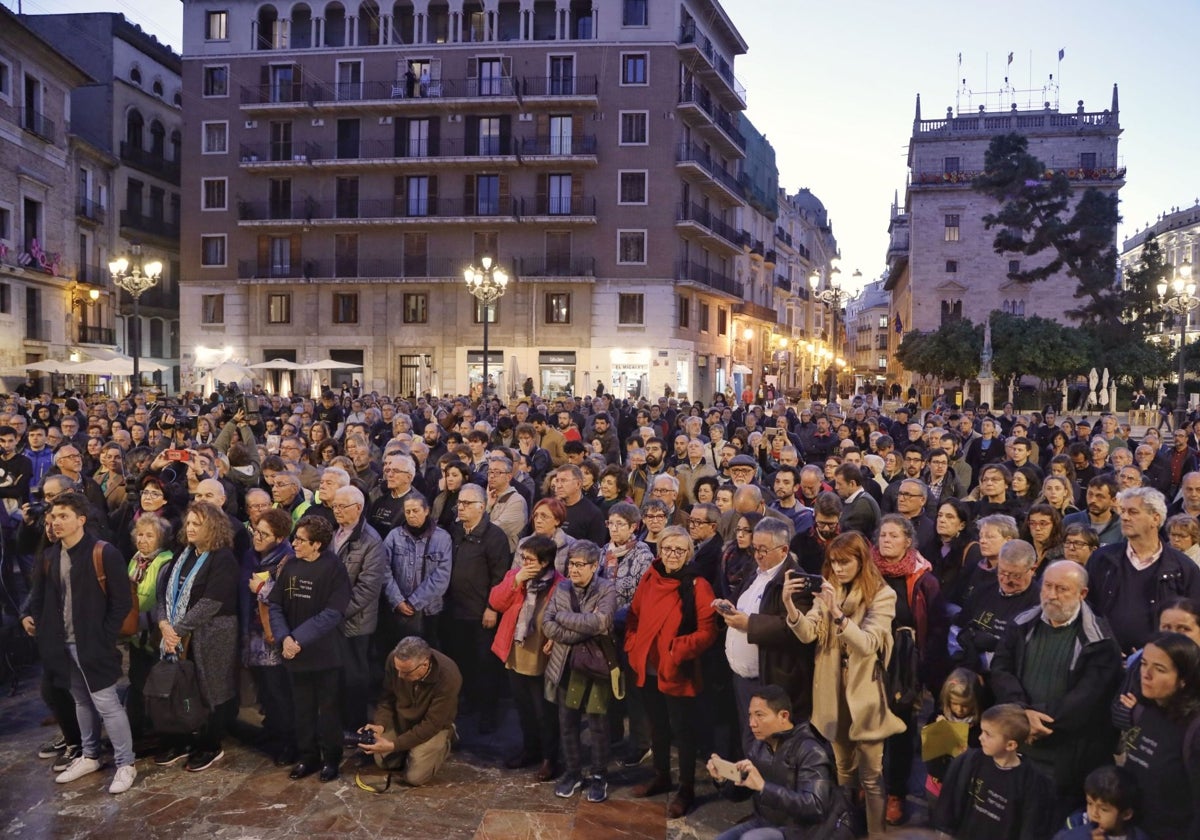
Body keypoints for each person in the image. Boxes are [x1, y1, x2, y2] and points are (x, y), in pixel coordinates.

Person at [784, 531, 903, 837]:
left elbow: (868, 643)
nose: (837, 569)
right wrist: (791, 607)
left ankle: (876, 833)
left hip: (865, 694)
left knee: (872, 775)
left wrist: (837, 613)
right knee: (842, 770)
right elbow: (809, 633)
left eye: (844, 562)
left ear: (861, 561)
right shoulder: (829, 589)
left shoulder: (883, 595)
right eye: (833, 562)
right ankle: (845, 826)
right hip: (831, 692)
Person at [21, 491, 138, 794]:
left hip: (93, 643)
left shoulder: (104, 552)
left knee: (107, 703)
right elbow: (40, 598)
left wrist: (104, 635)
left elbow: (121, 601)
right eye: (53, 517)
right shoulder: (49, 556)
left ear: (81, 520)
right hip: (62, 643)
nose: (56, 523)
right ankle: (90, 755)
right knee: (81, 701)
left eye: (63, 517)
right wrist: (31, 619)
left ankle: (126, 763)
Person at [990, 560, 1123, 823]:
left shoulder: (1100, 641)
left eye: (1062, 589)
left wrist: (1031, 719)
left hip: (1066, 756)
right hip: (1020, 745)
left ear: (1082, 594)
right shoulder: (1022, 623)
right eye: (1048, 586)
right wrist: (1020, 712)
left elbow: (1086, 700)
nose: (1051, 595)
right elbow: (1001, 668)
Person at [624, 525, 718, 817]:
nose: (672, 554)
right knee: (657, 727)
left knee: (683, 732)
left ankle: (686, 788)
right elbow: (634, 616)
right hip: (648, 667)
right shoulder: (650, 578)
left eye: (679, 549)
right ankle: (662, 775)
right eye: (667, 548)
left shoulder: (697, 585)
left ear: (688, 553)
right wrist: (633, 645)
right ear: (659, 550)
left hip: (677, 669)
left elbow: (708, 631)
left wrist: (676, 651)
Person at [153, 501, 240, 773]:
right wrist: (164, 623)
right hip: (178, 633)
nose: (189, 528)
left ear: (212, 527)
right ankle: (183, 740)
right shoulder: (183, 553)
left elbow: (211, 602)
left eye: (196, 524)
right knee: (183, 687)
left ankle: (210, 745)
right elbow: (163, 593)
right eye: (188, 523)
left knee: (211, 689)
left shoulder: (223, 558)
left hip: (213, 634)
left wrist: (175, 630)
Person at [708, 685, 853, 840]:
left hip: (803, 830)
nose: (752, 723)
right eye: (750, 716)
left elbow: (816, 806)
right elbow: (741, 792)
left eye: (759, 715)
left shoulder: (810, 750)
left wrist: (764, 787)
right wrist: (722, 779)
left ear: (783, 716)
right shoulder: (758, 746)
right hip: (765, 822)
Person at [268, 515, 352, 782]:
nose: (295, 544)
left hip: (325, 652)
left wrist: (297, 639)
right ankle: (308, 757)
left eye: (301, 540)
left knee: (328, 710)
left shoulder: (334, 568)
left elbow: (333, 612)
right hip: (293, 651)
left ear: (317, 545)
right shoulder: (290, 565)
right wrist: (284, 638)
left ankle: (331, 759)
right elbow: (276, 605)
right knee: (301, 708)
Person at [542, 541, 617, 804]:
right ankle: (573, 772)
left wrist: (563, 618)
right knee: (567, 722)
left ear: (595, 566)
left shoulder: (606, 588)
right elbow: (547, 625)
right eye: (571, 564)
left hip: (595, 666)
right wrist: (582, 625)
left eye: (579, 565)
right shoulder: (561, 588)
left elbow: (602, 622)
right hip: (565, 664)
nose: (573, 570)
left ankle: (599, 775)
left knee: (597, 725)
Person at [1087, 487, 1200, 654]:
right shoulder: (1101, 559)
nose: (1124, 517)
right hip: (1106, 661)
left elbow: (1193, 623)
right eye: (1123, 511)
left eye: (1133, 512)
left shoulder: (1184, 568)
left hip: (1161, 664)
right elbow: (1088, 610)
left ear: (1155, 518)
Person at [488, 535, 564, 781]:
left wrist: (557, 638)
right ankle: (530, 749)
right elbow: (496, 602)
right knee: (523, 709)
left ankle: (549, 758)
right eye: (522, 557)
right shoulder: (516, 577)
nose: (523, 562)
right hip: (516, 652)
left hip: (541, 656)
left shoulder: (560, 585)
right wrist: (516, 581)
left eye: (529, 559)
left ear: (544, 562)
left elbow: (566, 617)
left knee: (545, 712)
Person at [1112, 631, 1200, 840]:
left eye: (1159, 669)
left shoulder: (1193, 729)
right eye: (1143, 664)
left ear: (1183, 680)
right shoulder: (1146, 710)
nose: (1146, 674)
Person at [443, 482, 510, 733]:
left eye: (467, 503)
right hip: (456, 610)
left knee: (485, 667)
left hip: (482, 612)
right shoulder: (455, 530)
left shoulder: (495, 536)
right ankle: (469, 703)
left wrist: (492, 608)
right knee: (463, 661)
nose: (460, 507)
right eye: (459, 502)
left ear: (482, 506)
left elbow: (499, 576)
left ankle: (488, 714)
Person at [931, 703, 1055, 839]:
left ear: (1010, 745)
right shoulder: (970, 761)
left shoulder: (1031, 783)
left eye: (988, 734)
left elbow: (1030, 828)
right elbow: (949, 805)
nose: (980, 737)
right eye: (982, 731)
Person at [358, 635, 461, 786]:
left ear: (425, 665)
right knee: (384, 762)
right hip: (403, 717)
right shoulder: (395, 660)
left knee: (415, 777)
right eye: (398, 670)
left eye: (406, 672)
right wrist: (380, 725)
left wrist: (394, 745)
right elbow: (387, 698)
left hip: (433, 726)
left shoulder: (448, 675)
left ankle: (447, 738)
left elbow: (432, 724)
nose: (400, 675)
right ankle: (410, 746)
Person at [329, 485, 387, 733]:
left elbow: (367, 589)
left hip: (355, 622)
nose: (337, 511)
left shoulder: (371, 541)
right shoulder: (334, 533)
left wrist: (336, 613)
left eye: (343, 507)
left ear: (359, 508)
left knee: (355, 676)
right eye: (335, 506)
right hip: (332, 618)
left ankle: (355, 725)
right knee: (337, 674)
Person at [245, 508, 297, 765]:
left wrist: (262, 588)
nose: (257, 537)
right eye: (256, 531)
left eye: (264, 534)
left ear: (279, 538)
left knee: (279, 691)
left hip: (274, 635)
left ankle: (288, 741)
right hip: (253, 633)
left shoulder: (287, 560)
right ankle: (272, 730)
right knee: (264, 689)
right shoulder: (252, 556)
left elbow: (287, 598)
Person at [123, 512, 175, 744]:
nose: (143, 540)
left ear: (160, 539)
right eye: (140, 535)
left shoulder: (165, 562)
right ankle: (137, 730)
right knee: (137, 680)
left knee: (156, 684)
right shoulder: (135, 560)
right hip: (136, 634)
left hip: (155, 633)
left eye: (149, 536)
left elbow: (163, 600)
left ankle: (160, 732)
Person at [954, 540, 1041, 674]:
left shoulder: (1039, 604)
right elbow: (960, 625)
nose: (1006, 580)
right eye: (1002, 572)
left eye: (1015, 575)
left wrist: (995, 644)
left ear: (1032, 569)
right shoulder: (983, 590)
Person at [380, 494, 452, 649]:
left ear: (426, 511)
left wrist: (414, 602)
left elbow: (442, 577)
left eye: (415, 510)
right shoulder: (394, 536)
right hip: (397, 610)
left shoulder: (442, 538)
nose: (411, 515)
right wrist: (397, 600)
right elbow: (383, 570)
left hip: (429, 611)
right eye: (407, 512)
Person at [1052, 765, 1150, 840]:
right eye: (1090, 803)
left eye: (1104, 809)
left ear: (1126, 814)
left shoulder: (1139, 837)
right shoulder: (1074, 830)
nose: (1094, 813)